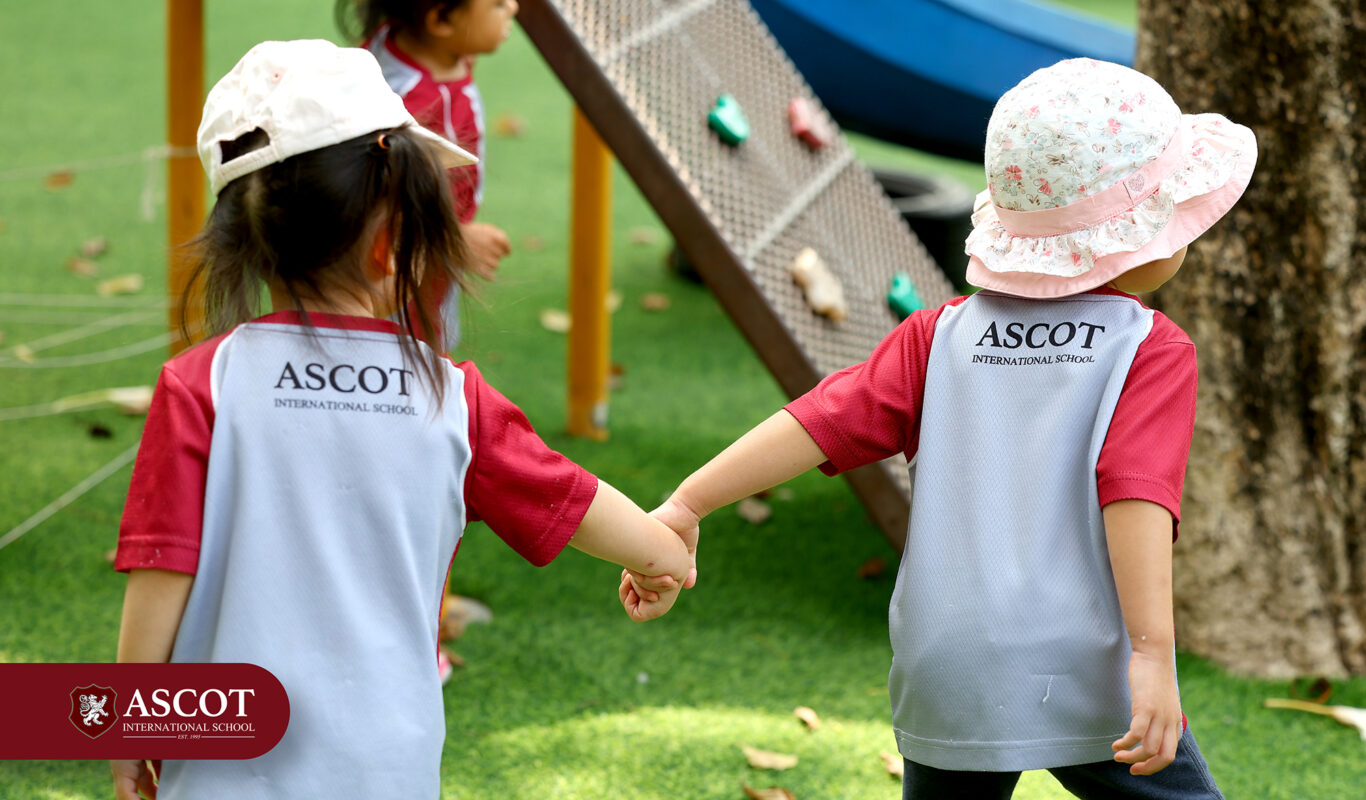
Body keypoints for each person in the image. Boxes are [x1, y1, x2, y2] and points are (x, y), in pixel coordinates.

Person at [628, 58, 1256, 799]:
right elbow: (1136, 500)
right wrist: (1153, 654)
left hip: (947, 662)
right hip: (1084, 667)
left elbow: (817, 423)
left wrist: (688, 502)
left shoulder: (938, 337)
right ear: (1141, 236)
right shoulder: (1148, 349)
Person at [110, 39, 688, 800]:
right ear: (392, 243)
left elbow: (161, 575)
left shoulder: (200, 385)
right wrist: (663, 554)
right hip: (387, 769)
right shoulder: (452, 399)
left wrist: (128, 736)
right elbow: (573, 501)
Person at [338, 0, 517, 352]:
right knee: (402, 353)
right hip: (392, 266)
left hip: (433, 256)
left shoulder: (421, 45)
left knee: (431, 332)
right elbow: (370, 201)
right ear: (440, 20)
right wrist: (450, 239)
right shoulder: (398, 104)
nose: (512, 7)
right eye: (497, 4)